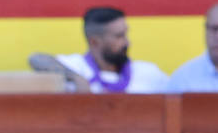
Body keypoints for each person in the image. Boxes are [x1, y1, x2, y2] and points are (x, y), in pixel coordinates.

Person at [28, 6, 168, 94]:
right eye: (119, 36)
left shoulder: (148, 72)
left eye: (125, 34)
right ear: (94, 42)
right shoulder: (76, 66)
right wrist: (77, 79)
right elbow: (36, 59)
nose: (127, 42)